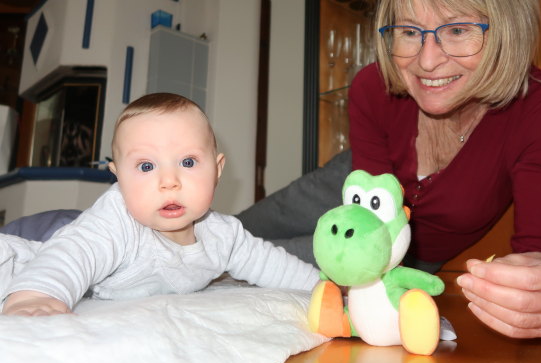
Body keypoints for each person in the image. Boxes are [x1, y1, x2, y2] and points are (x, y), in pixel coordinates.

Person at [240, 0, 541, 339]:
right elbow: (365, 221)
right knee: (233, 231)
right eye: (409, 32)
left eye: (457, 30)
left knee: (249, 265)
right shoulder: (372, 87)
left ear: (507, 29)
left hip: (405, 253)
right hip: (351, 183)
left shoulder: (539, 108)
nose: (427, 60)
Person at [1, 93, 319, 316]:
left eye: (188, 161)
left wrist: (324, 287)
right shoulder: (117, 220)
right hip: (46, 243)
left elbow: (272, 264)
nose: (169, 181)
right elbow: (72, 254)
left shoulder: (225, 235)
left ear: (218, 170)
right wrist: (36, 296)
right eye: (146, 167)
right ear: (119, 178)